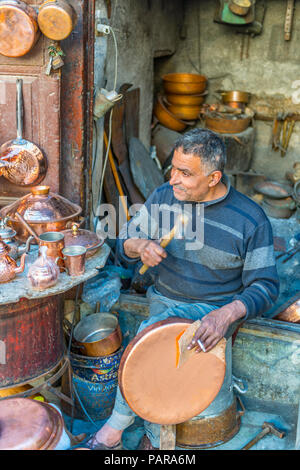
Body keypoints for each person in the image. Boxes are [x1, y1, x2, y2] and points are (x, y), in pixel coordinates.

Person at [86, 128, 279, 450]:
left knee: (151, 335)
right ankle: (150, 434)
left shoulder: (250, 219)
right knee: (155, 332)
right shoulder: (164, 196)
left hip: (211, 308)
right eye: (173, 167)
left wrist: (227, 314)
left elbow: (266, 285)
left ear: (214, 177)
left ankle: (115, 431)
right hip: (163, 298)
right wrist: (139, 247)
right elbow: (125, 242)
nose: (174, 178)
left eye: (185, 173)